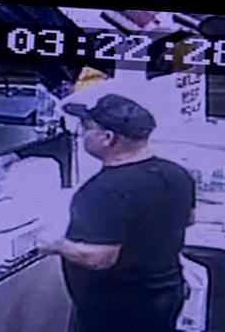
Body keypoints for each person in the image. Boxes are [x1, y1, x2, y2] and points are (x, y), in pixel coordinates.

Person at [38, 94, 196, 332]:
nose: (82, 134)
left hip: (118, 310)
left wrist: (56, 245)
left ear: (108, 138)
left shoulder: (104, 190)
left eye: (87, 128)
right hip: (165, 294)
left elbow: (100, 258)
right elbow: (189, 219)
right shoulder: (176, 173)